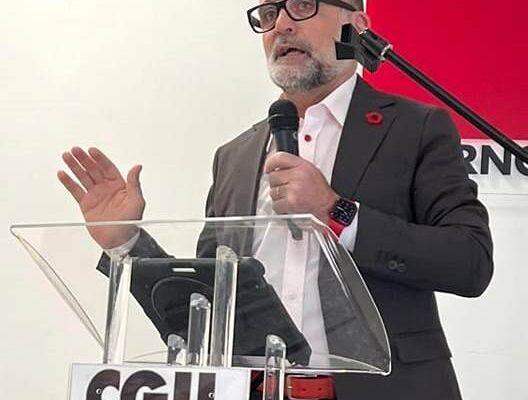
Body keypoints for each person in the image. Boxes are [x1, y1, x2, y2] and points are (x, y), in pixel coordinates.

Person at [58, 0, 493, 398]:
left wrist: (335, 212)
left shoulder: (416, 128)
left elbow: (470, 262)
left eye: (302, 6)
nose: (281, 24)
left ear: (356, 26)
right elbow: (204, 306)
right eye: (268, 14)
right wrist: (127, 243)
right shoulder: (234, 156)